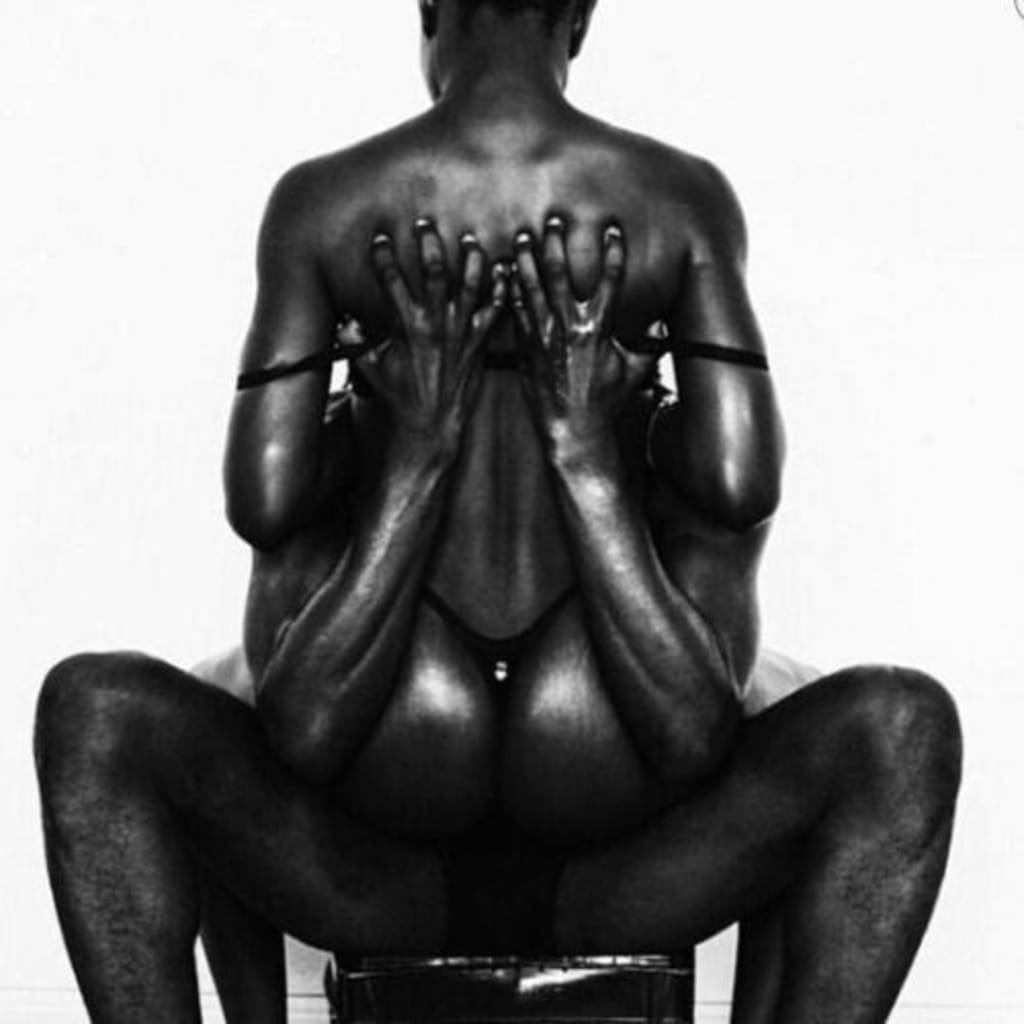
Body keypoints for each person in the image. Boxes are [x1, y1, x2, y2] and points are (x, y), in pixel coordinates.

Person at [34, 1, 962, 1021]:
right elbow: (739, 504)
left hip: (502, 870)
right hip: (475, 868)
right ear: (582, 17)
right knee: (101, 708)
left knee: (899, 723)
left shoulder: (325, 211)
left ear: (429, 9)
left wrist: (562, 452)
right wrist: (444, 451)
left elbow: (264, 517)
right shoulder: (680, 212)